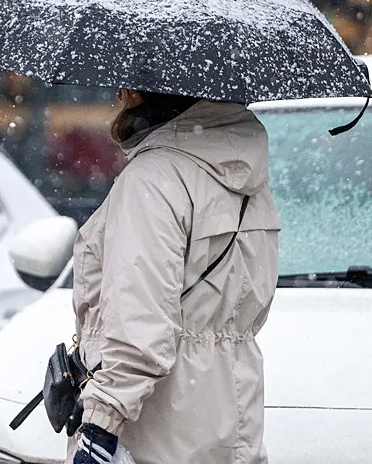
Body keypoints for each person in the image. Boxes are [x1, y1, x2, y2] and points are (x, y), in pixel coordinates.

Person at [69, 88, 280, 464]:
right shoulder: (246, 176)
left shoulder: (151, 178)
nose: (120, 94)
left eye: (128, 82)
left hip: (154, 431)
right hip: (227, 417)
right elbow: (248, 301)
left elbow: (139, 328)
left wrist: (101, 425)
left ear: (146, 92)